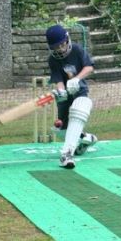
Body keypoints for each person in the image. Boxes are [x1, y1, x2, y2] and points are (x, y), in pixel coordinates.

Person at [45, 24, 97, 169]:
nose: (60, 49)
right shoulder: (52, 59)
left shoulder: (77, 50)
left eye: (62, 45)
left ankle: (66, 154)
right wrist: (61, 91)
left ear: (67, 39)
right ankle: (87, 138)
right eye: (56, 47)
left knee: (80, 108)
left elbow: (89, 67)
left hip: (80, 91)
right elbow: (58, 80)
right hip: (65, 99)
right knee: (61, 132)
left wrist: (76, 79)